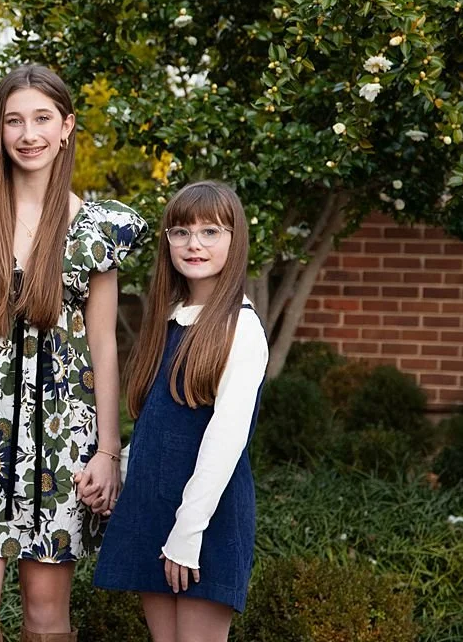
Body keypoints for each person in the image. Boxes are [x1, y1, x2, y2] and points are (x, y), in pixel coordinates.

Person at [0, 64, 148, 642]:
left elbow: (103, 347)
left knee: (48, 623)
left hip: (60, 441)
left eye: (43, 118)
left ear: (66, 126)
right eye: (14, 120)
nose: (29, 134)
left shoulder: (94, 229)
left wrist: (108, 451)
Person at [92, 180, 268, 642]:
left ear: (235, 240)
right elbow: (159, 423)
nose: (194, 244)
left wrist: (188, 534)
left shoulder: (240, 330)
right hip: (154, 508)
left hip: (204, 519)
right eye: (181, 232)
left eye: (211, 232)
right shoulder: (169, 318)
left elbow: (225, 440)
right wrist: (121, 474)